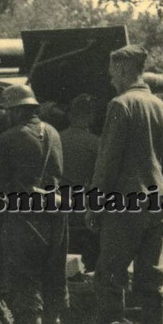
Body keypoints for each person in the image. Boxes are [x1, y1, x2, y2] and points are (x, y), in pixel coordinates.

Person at [88, 44, 163, 324]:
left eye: (114, 72)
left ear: (127, 71)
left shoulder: (120, 105)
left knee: (109, 280)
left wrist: (95, 204)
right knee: (151, 281)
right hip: (155, 206)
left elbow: (107, 161)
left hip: (125, 206)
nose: (112, 79)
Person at [0, 84, 68, 324]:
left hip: (25, 214)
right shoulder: (55, 133)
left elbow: (0, 181)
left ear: (15, 111)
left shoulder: (8, 138)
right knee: (53, 269)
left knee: (23, 272)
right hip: (56, 211)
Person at [59, 93, 101, 272]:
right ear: (91, 117)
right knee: (90, 265)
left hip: (60, 208)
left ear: (70, 115)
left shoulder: (56, 138)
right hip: (86, 210)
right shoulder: (96, 143)